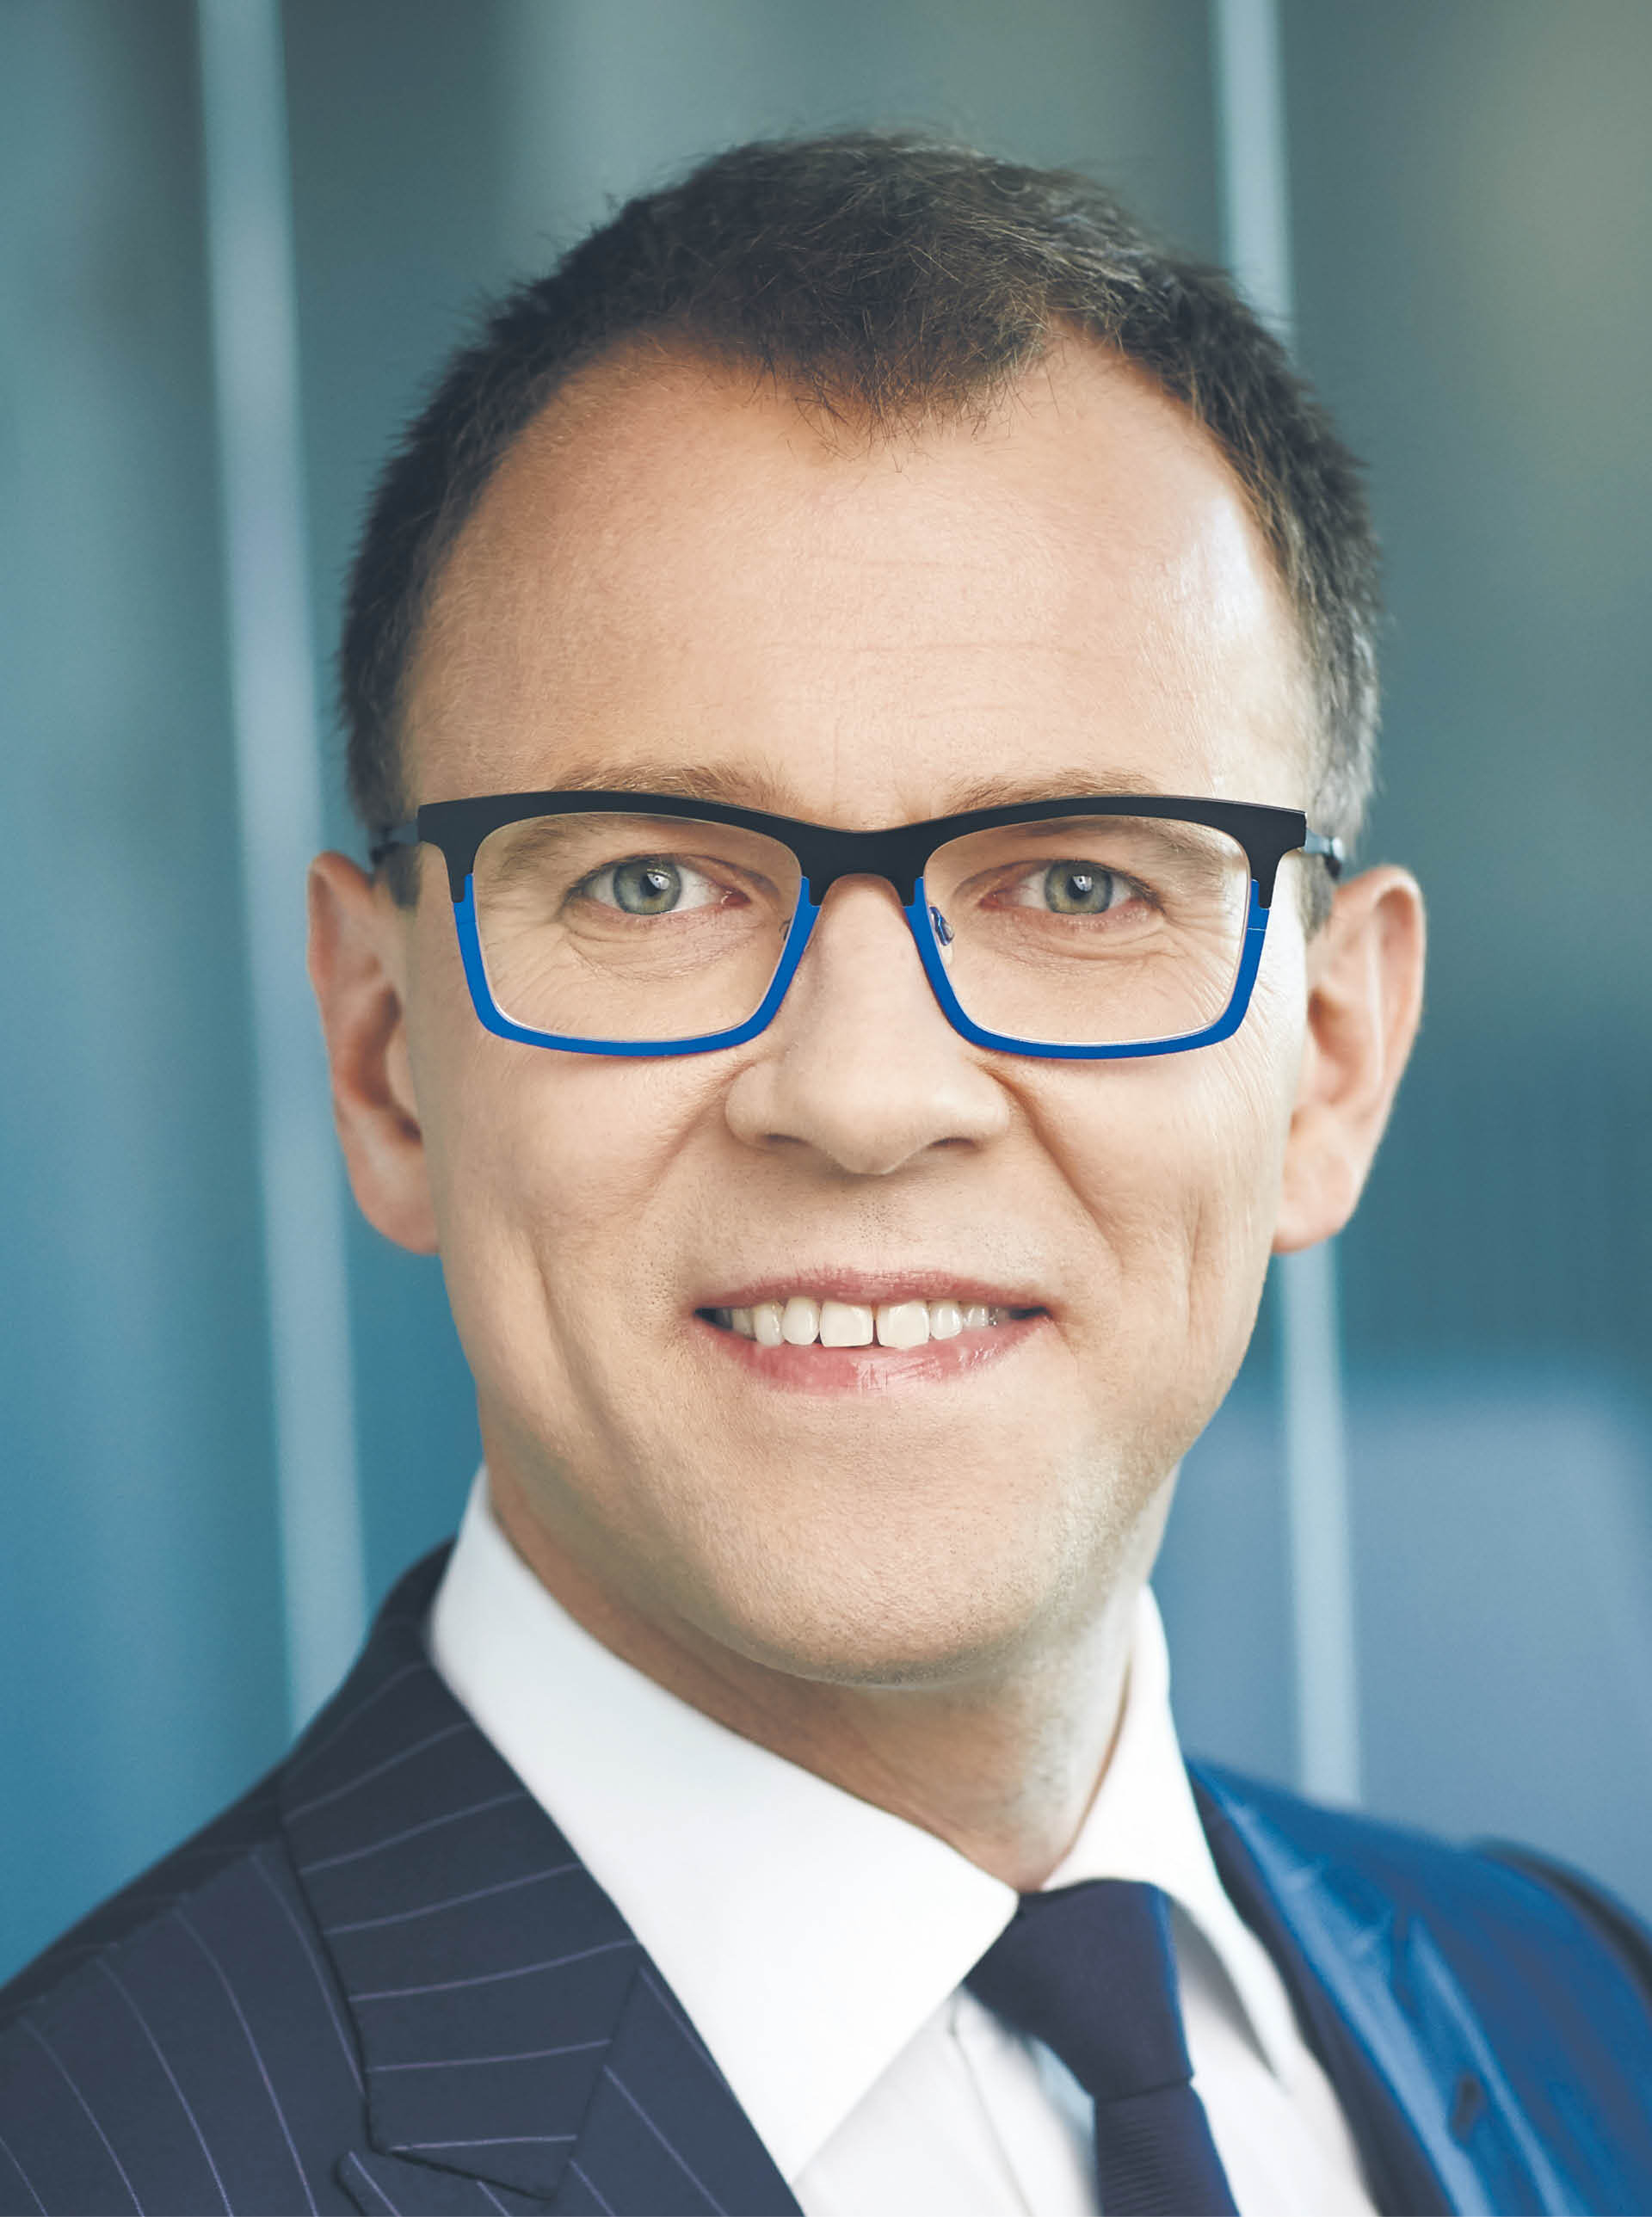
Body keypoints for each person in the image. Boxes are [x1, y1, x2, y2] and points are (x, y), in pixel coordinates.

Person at [2, 132, 1648, 2217]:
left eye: (1077, 881)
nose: (865, 1093)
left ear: (1331, 1060)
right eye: (652, 880)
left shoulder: (1586, 2013)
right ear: (382, 1054)